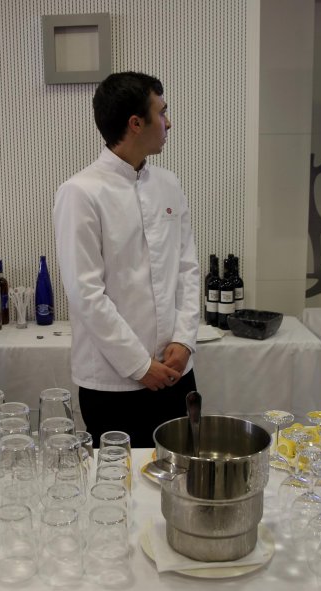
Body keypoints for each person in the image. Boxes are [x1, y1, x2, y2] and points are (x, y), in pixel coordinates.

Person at [53, 72, 200, 448]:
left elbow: (187, 267)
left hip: (176, 371)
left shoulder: (169, 183)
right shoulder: (80, 192)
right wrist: (139, 364)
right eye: (162, 113)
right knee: (119, 491)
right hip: (113, 382)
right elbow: (86, 293)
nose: (169, 122)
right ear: (136, 123)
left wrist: (184, 339)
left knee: (178, 479)